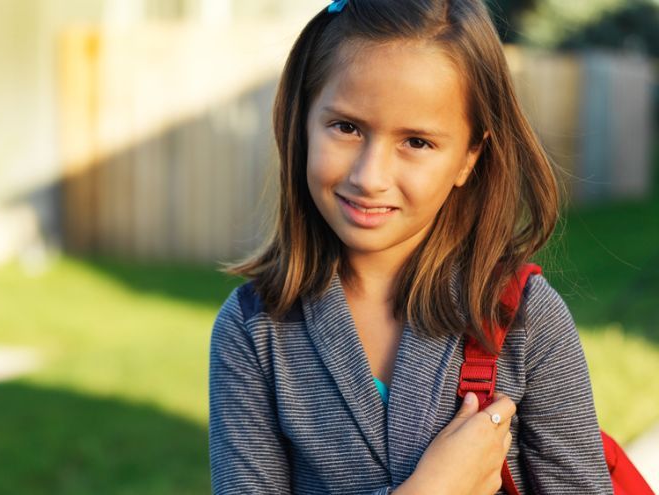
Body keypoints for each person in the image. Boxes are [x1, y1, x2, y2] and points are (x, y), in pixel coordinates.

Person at [208, 0, 613, 493]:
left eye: (416, 142)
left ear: (469, 157)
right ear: (302, 123)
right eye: (347, 127)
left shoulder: (526, 319)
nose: (369, 176)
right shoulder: (253, 329)